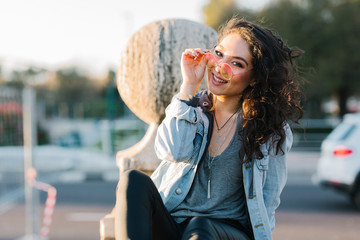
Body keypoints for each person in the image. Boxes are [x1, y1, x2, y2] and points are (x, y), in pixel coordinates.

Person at [115, 17, 303, 240]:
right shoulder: (191, 110)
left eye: (237, 63)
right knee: (132, 180)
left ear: (254, 78)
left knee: (201, 227)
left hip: (228, 231)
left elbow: (268, 199)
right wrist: (188, 87)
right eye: (220, 54)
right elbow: (171, 152)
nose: (220, 67)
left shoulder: (269, 129)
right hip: (175, 225)